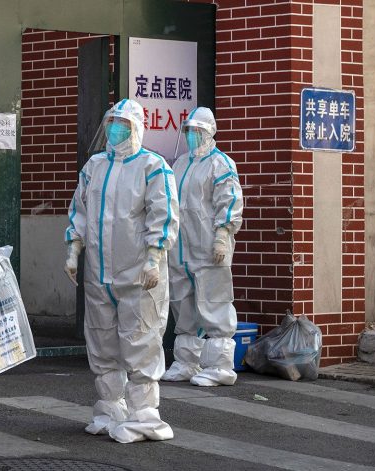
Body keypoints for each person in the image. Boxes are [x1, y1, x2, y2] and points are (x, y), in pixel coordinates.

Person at [64, 99, 179, 444]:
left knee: (140, 338)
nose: (115, 129)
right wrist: (74, 249)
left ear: (137, 129)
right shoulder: (94, 166)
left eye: (123, 124)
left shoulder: (153, 166)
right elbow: (79, 210)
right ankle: (110, 406)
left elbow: (164, 214)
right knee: (101, 339)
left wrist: (154, 257)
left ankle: (145, 414)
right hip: (99, 274)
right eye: (112, 122)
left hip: (139, 274)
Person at [161, 106, 243, 387]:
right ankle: (186, 362)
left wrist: (223, 234)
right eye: (189, 131)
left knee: (214, 302)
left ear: (210, 132)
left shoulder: (221, 163)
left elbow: (229, 201)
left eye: (198, 131)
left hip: (209, 247)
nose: (193, 136)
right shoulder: (181, 163)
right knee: (182, 305)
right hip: (181, 248)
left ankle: (220, 366)